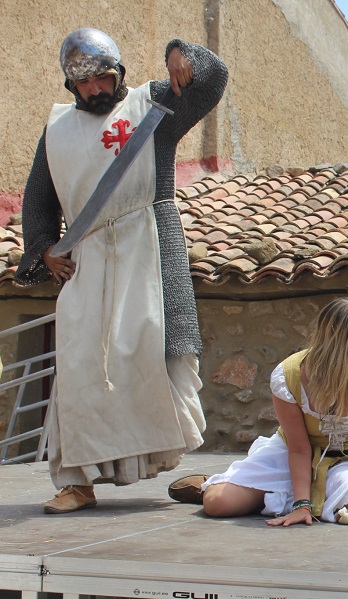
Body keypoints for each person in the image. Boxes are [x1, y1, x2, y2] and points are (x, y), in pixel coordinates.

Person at [15, 28, 228, 513]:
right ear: (72, 84)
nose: (96, 89)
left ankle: (155, 460)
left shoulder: (152, 105)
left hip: (148, 245)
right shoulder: (57, 131)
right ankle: (76, 482)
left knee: (158, 356)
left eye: (103, 78)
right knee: (78, 370)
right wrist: (45, 249)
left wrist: (183, 54)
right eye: (85, 82)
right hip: (87, 261)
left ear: (119, 73)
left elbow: (212, 81)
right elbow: (39, 202)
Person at [168, 297, 348, 527]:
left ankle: (271, 495)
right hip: (294, 454)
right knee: (218, 505)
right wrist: (302, 505)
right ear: (331, 347)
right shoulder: (288, 376)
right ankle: (222, 486)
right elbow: (298, 449)